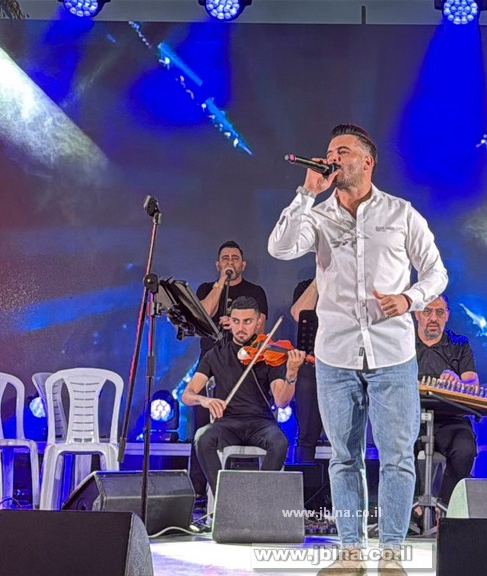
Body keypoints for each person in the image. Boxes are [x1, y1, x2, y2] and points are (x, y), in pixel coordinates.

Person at [268, 123, 448, 574]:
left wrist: (409, 299)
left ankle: (390, 554)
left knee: (397, 457)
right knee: (344, 457)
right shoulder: (318, 215)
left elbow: (436, 272)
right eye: (329, 151)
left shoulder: (400, 212)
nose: (332, 158)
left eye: (342, 151)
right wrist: (306, 194)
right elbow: (280, 248)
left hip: (392, 354)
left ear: (367, 162)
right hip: (336, 355)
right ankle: (350, 551)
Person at [181, 296, 303, 499]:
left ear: (258, 322)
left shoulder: (268, 355)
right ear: (229, 322)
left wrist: (291, 374)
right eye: (236, 321)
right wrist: (205, 400)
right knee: (202, 438)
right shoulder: (215, 354)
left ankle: (257, 500)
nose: (241, 328)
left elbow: (282, 402)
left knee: (280, 442)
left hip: (261, 424)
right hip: (227, 423)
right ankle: (224, 500)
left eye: (247, 321)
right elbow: (187, 395)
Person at [188, 240, 269, 499]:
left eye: (235, 258)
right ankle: (198, 490)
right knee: (201, 421)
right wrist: (221, 283)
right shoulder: (207, 288)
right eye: (225, 258)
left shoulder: (255, 291)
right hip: (212, 357)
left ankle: (251, 493)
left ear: (243, 264)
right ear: (218, 264)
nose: (230, 262)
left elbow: (262, 328)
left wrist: (236, 324)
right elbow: (204, 312)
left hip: (245, 360)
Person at [413, 295, 479, 516]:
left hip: (450, 419)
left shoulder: (459, 344)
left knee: (465, 449)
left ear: (447, 316)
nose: (433, 318)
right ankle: (412, 510)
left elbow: (473, 383)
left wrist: (458, 382)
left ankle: (444, 509)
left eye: (439, 312)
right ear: (417, 314)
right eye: (427, 311)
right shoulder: (403, 343)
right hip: (410, 417)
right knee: (398, 447)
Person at [291, 278, 325, 463]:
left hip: (342, 367)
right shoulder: (305, 287)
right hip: (311, 365)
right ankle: (304, 475)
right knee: (306, 433)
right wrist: (318, 280)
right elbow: (298, 314)